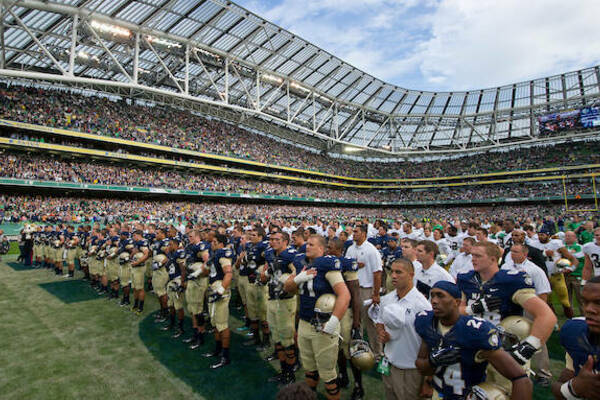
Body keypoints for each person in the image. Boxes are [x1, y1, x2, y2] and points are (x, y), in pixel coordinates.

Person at [457, 241, 556, 394]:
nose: (473, 259)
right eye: (472, 255)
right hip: (472, 346)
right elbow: (456, 312)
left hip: (503, 349)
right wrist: (472, 309)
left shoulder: (511, 281)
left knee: (504, 392)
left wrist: (530, 345)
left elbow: (546, 315)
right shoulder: (465, 279)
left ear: (492, 259)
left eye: (478, 256)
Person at [415, 281, 532, 399]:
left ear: (456, 302)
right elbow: (421, 366)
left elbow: (520, 378)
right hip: (438, 394)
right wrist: (432, 361)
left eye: (440, 295)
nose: (434, 301)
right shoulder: (427, 322)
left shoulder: (476, 331)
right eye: (432, 295)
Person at [284, 235, 350, 400]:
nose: (307, 247)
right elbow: (287, 288)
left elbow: (344, 295)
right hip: (305, 322)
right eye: (307, 244)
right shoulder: (302, 264)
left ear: (321, 248)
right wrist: (299, 278)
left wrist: (333, 321)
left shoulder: (328, 265)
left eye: (311, 245)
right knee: (310, 370)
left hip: (323, 326)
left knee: (328, 374)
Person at [376, 258, 432, 400]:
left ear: (411, 275)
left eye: (399, 272)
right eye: (392, 272)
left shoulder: (422, 305)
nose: (393, 276)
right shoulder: (387, 299)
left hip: (410, 368)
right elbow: (380, 321)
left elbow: (430, 340)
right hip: (389, 363)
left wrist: (428, 379)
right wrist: (382, 333)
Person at [552, 276, 600, 400]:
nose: (588, 309)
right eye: (585, 302)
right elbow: (559, 385)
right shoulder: (576, 332)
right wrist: (574, 388)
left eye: (598, 303)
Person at [327, 238, 363, 399]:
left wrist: (356, 321)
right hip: (331, 310)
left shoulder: (347, 263)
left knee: (350, 351)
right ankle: (343, 375)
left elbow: (355, 294)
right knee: (337, 348)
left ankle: (358, 385)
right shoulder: (326, 262)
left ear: (339, 249)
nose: (328, 249)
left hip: (346, 312)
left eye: (331, 247)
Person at [263, 231, 298, 385]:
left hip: (285, 301)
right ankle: (283, 371)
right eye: (271, 239)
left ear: (285, 241)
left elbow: (298, 272)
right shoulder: (270, 253)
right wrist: (265, 274)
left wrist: (287, 284)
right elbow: (266, 273)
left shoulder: (290, 254)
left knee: (287, 339)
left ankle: (290, 373)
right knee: (276, 337)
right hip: (273, 298)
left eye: (276, 239)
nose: (272, 242)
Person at [345, 224, 383, 358]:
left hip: (366, 289)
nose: (353, 234)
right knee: (355, 321)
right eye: (353, 231)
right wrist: (355, 265)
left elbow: (377, 273)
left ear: (364, 233)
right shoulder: (350, 249)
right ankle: (358, 350)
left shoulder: (371, 250)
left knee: (370, 323)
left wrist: (376, 294)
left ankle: (378, 353)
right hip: (352, 289)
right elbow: (346, 266)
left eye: (356, 232)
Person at [203, 233, 234, 369]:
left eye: (214, 241)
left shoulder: (223, 253)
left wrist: (221, 290)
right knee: (215, 322)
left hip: (220, 290)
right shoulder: (215, 254)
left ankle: (225, 356)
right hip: (213, 288)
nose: (212, 243)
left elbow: (228, 273)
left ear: (220, 243)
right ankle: (218, 349)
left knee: (222, 324)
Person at [182, 229, 210, 349]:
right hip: (191, 279)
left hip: (199, 279)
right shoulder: (189, 246)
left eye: (192, 236)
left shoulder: (201, 246)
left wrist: (199, 271)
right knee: (192, 307)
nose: (190, 238)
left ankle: (201, 335)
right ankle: (195, 334)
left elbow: (207, 261)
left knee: (198, 309)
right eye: (189, 236)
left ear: (198, 236)